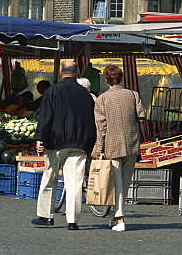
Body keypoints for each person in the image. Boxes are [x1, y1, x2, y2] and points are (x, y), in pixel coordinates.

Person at [32, 62, 96, 230]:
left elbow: (45, 117)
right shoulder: (85, 94)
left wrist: (40, 138)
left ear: (61, 72)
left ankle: (46, 216)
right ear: (77, 72)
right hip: (79, 143)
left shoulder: (53, 91)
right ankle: (72, 221)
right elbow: (91, 121)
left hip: (56, 142)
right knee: (75, 182)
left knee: (50, 178)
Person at [91, 65, 145, 232]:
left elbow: (101, 127)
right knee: (125, 182)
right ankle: (118, 216)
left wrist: (98, 149)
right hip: (131, 143)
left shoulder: (102, 99)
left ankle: (119, 218)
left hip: (112, 145)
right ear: (121, 78)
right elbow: (141, 116)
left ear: (106, 80)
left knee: (117, 184)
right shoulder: (132, 94)